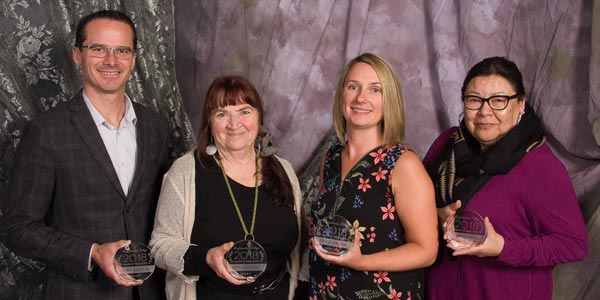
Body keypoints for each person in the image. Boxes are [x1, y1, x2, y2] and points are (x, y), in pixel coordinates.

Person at [0, 9, 170, 300]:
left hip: (150, 293)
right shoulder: (46, 131)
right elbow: (18, 228)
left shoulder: (155, 125)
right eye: (99, 49)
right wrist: (92, 252)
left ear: (133, 58)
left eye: (121, 50)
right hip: (78, 293)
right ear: (77, 55)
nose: (111, 61)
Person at [424, 56, 589, 300]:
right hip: (440, 290)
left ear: (521, 104)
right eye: (474, 100)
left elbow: (573, 244)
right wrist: (433, 215)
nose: (484, 112)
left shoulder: (539, 167)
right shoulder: (447, 145)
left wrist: (502, 247)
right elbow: (412, 204)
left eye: (499, 101)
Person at [149, 75, 308, 299]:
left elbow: (298, 247)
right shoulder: (186, 172)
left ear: (258, 116)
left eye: (244, 111)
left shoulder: (284, 170)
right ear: (209, 122)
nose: (234, 124)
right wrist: (206, 257)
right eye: (222, 114)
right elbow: (160, 246)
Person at [308, 53, 438, 300]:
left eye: (375, 90)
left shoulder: (403, 164)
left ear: (390, 100)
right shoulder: (331, 157)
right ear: (342, 95)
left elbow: (426, 250)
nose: (360, 98)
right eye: (353, 87)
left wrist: (360, 262)